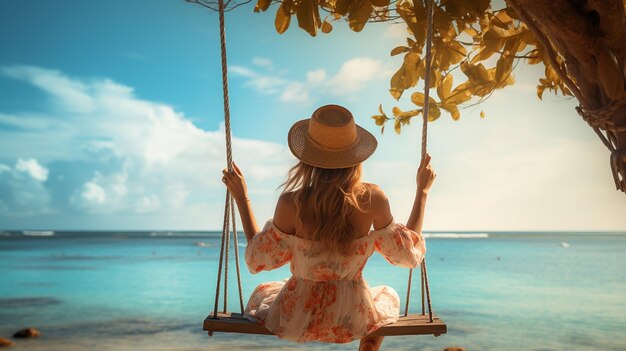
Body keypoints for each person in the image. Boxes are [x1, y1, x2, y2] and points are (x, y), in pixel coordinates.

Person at [221, 104, 436, 351]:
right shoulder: (373, 198)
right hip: (353, 316)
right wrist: (422, 192)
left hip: (297, 316)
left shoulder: (292, 203)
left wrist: (242, 199)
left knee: (264, 292)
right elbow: (407, 256)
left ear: (307, 159)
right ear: (356, 157)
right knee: (388, 295)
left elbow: (258, 260)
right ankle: (369, 345)